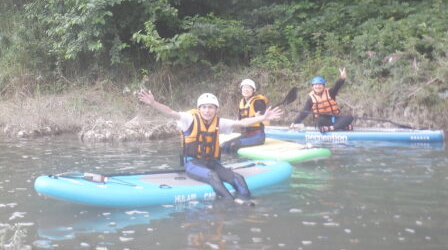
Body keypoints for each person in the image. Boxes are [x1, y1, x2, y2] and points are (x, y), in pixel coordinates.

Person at [138, 90, 282, 204]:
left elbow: (243, 123)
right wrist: (153, 103)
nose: (207, 110)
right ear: (199, 108)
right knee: (212, 176)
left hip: (213, 163)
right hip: (193, 163)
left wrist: (263, 118)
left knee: (237, 178)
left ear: (216, 109)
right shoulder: (189, 119)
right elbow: (170, 112)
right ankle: (231, 203)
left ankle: (245, 199)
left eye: (211, 107)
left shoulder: (220, 122)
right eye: (204, 107)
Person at [290, 67, 354, 132]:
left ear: (323, 86)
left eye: (320, 85)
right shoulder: (311, 98)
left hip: (335, 118)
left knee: (350, 117)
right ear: (312, 87)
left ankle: (332, 128)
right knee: (320, 120)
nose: (318, 86)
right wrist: (295, 122)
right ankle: (342, 127)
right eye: (316, 85)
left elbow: (337, 86)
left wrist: (342, 78)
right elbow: (304, 112)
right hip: (323, 120)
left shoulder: (330, 92)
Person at [221, 78, 269, 154]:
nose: (246, 89)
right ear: (241, 89)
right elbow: (240, 121)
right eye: (244, 87)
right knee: (224, 145)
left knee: (233, 145)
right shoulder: (242, 102)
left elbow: (265, 120)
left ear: (253, 90)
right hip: (245, 135)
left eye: (249, 88)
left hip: (257, 136)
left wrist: (258, 116)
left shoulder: (258, 102)